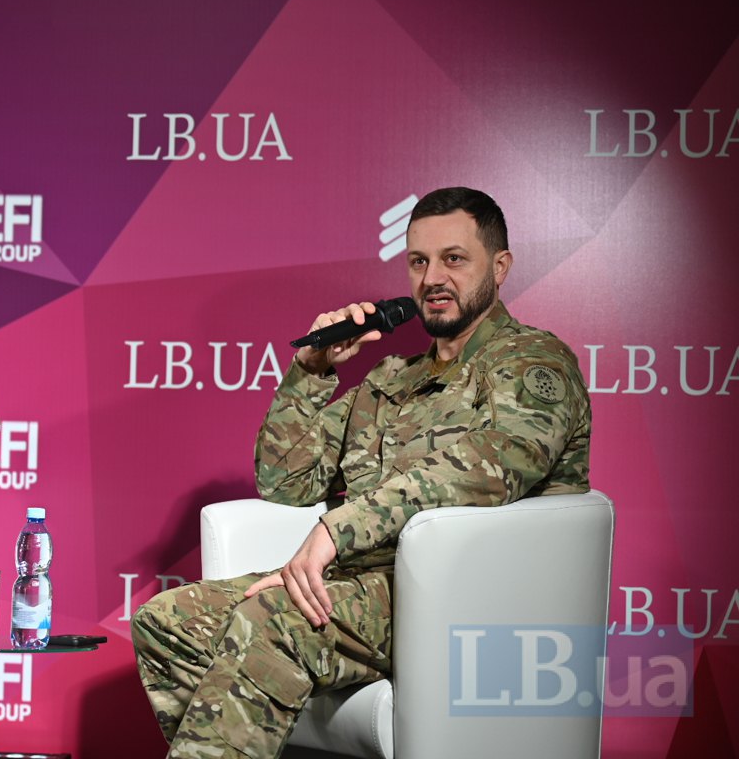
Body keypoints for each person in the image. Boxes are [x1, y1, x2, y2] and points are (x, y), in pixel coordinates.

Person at [131, 187, 592, 758]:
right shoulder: (391, 379)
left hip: (464, 602)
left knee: (271, 617)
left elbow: (488, 469)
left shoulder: (533, 364)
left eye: (454, 259)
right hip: (363, 588)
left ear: (500, 267)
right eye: (419, 262)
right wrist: (310, 371)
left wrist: (337, 529)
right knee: (167, 620)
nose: (433, 278)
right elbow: (286, 482)